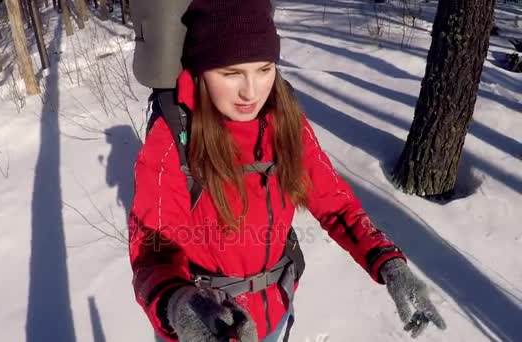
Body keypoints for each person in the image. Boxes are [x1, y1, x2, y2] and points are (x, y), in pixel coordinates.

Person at [128, 0, 447, 341]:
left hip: (276, 312)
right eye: (231, 73)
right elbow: (153, 251)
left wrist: (388, 264)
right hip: (207, 327)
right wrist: (182, 306)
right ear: (202, 69)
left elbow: (336, 205)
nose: (251, 91)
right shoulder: (175, 138)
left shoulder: (284, 122)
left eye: (264, 69)